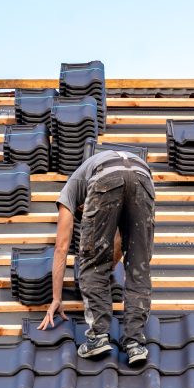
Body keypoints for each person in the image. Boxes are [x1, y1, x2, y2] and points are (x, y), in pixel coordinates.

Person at [38, 149, 156, 366]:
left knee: (91, 260)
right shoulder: (86, 176)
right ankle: (134, 343)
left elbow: (61, 247)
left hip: (106, 177)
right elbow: (120, 242)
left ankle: (98, 337)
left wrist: (57, 298)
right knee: (139, 264)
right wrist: (109, 267)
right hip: (143, 176)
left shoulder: (69, 191)